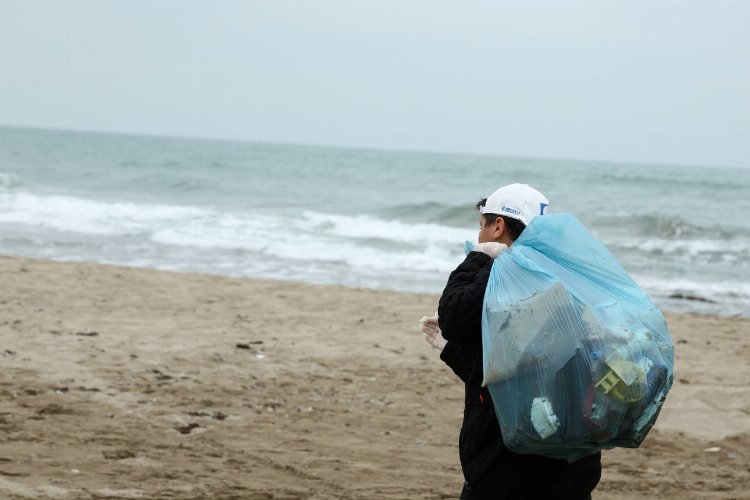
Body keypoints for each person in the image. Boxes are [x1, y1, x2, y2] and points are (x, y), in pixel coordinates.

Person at [421, 183, 602, 499]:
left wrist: (478, 258)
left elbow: (453, 313)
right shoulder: (564, 273)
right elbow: (510, 374)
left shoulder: (505, 272)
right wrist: (450, 349)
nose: (479, 235)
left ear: (498, 226)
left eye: (482, 226)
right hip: (572, 464)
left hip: (509, 463)